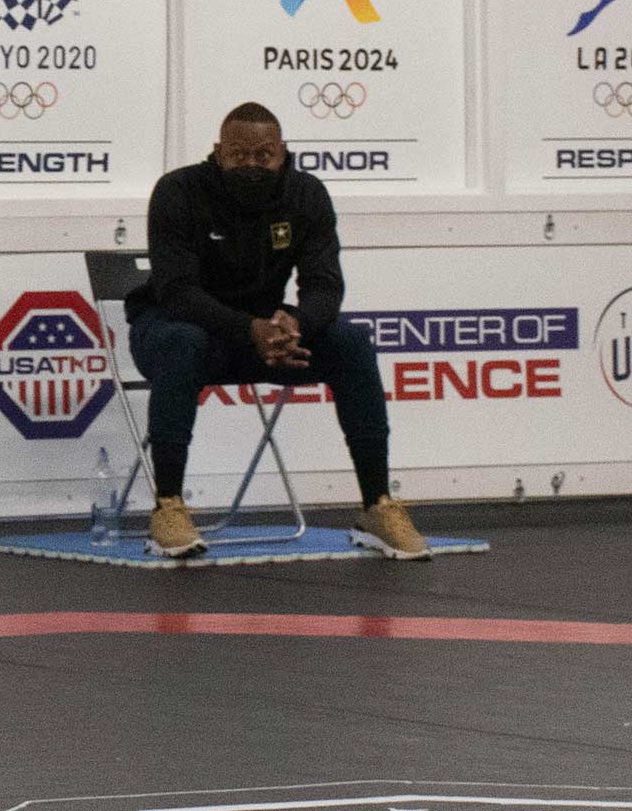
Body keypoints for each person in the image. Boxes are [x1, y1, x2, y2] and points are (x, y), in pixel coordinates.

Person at [124, 102, 427, 560]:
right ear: (218, 153)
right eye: (239, 155)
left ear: (282, 153)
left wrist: (296, 324)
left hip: (265, 337)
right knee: (183, 342)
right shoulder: (179, 191)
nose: (251, 164)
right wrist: (251, 330)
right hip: (179, 330)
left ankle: (377, 506)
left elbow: (325, 284)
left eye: (263, 155)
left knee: (350, 340)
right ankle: (168, 506)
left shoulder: (306, 195)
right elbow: (177, 292)